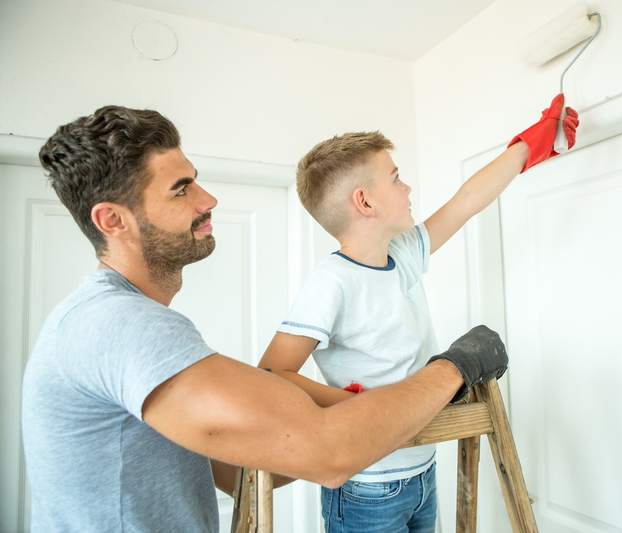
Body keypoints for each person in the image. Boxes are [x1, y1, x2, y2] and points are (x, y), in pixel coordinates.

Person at [20, 105, 509, 532]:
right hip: (373, 491)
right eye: (181, 189)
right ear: (113, 221)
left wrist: (361, 420)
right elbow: (328, 454)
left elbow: (236, 468)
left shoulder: (126, 323)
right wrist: (455, 368)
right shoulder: (118, 325)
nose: (207, 200)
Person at [259, 94, 578, 532]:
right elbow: (274, 373)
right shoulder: (332, 281)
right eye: (395, 179)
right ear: (365, 203)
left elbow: (466, 202)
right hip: (367, 485)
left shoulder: (404, 254)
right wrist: (362, 408)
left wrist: (531, 144)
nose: (407, 188)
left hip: (421, 468)